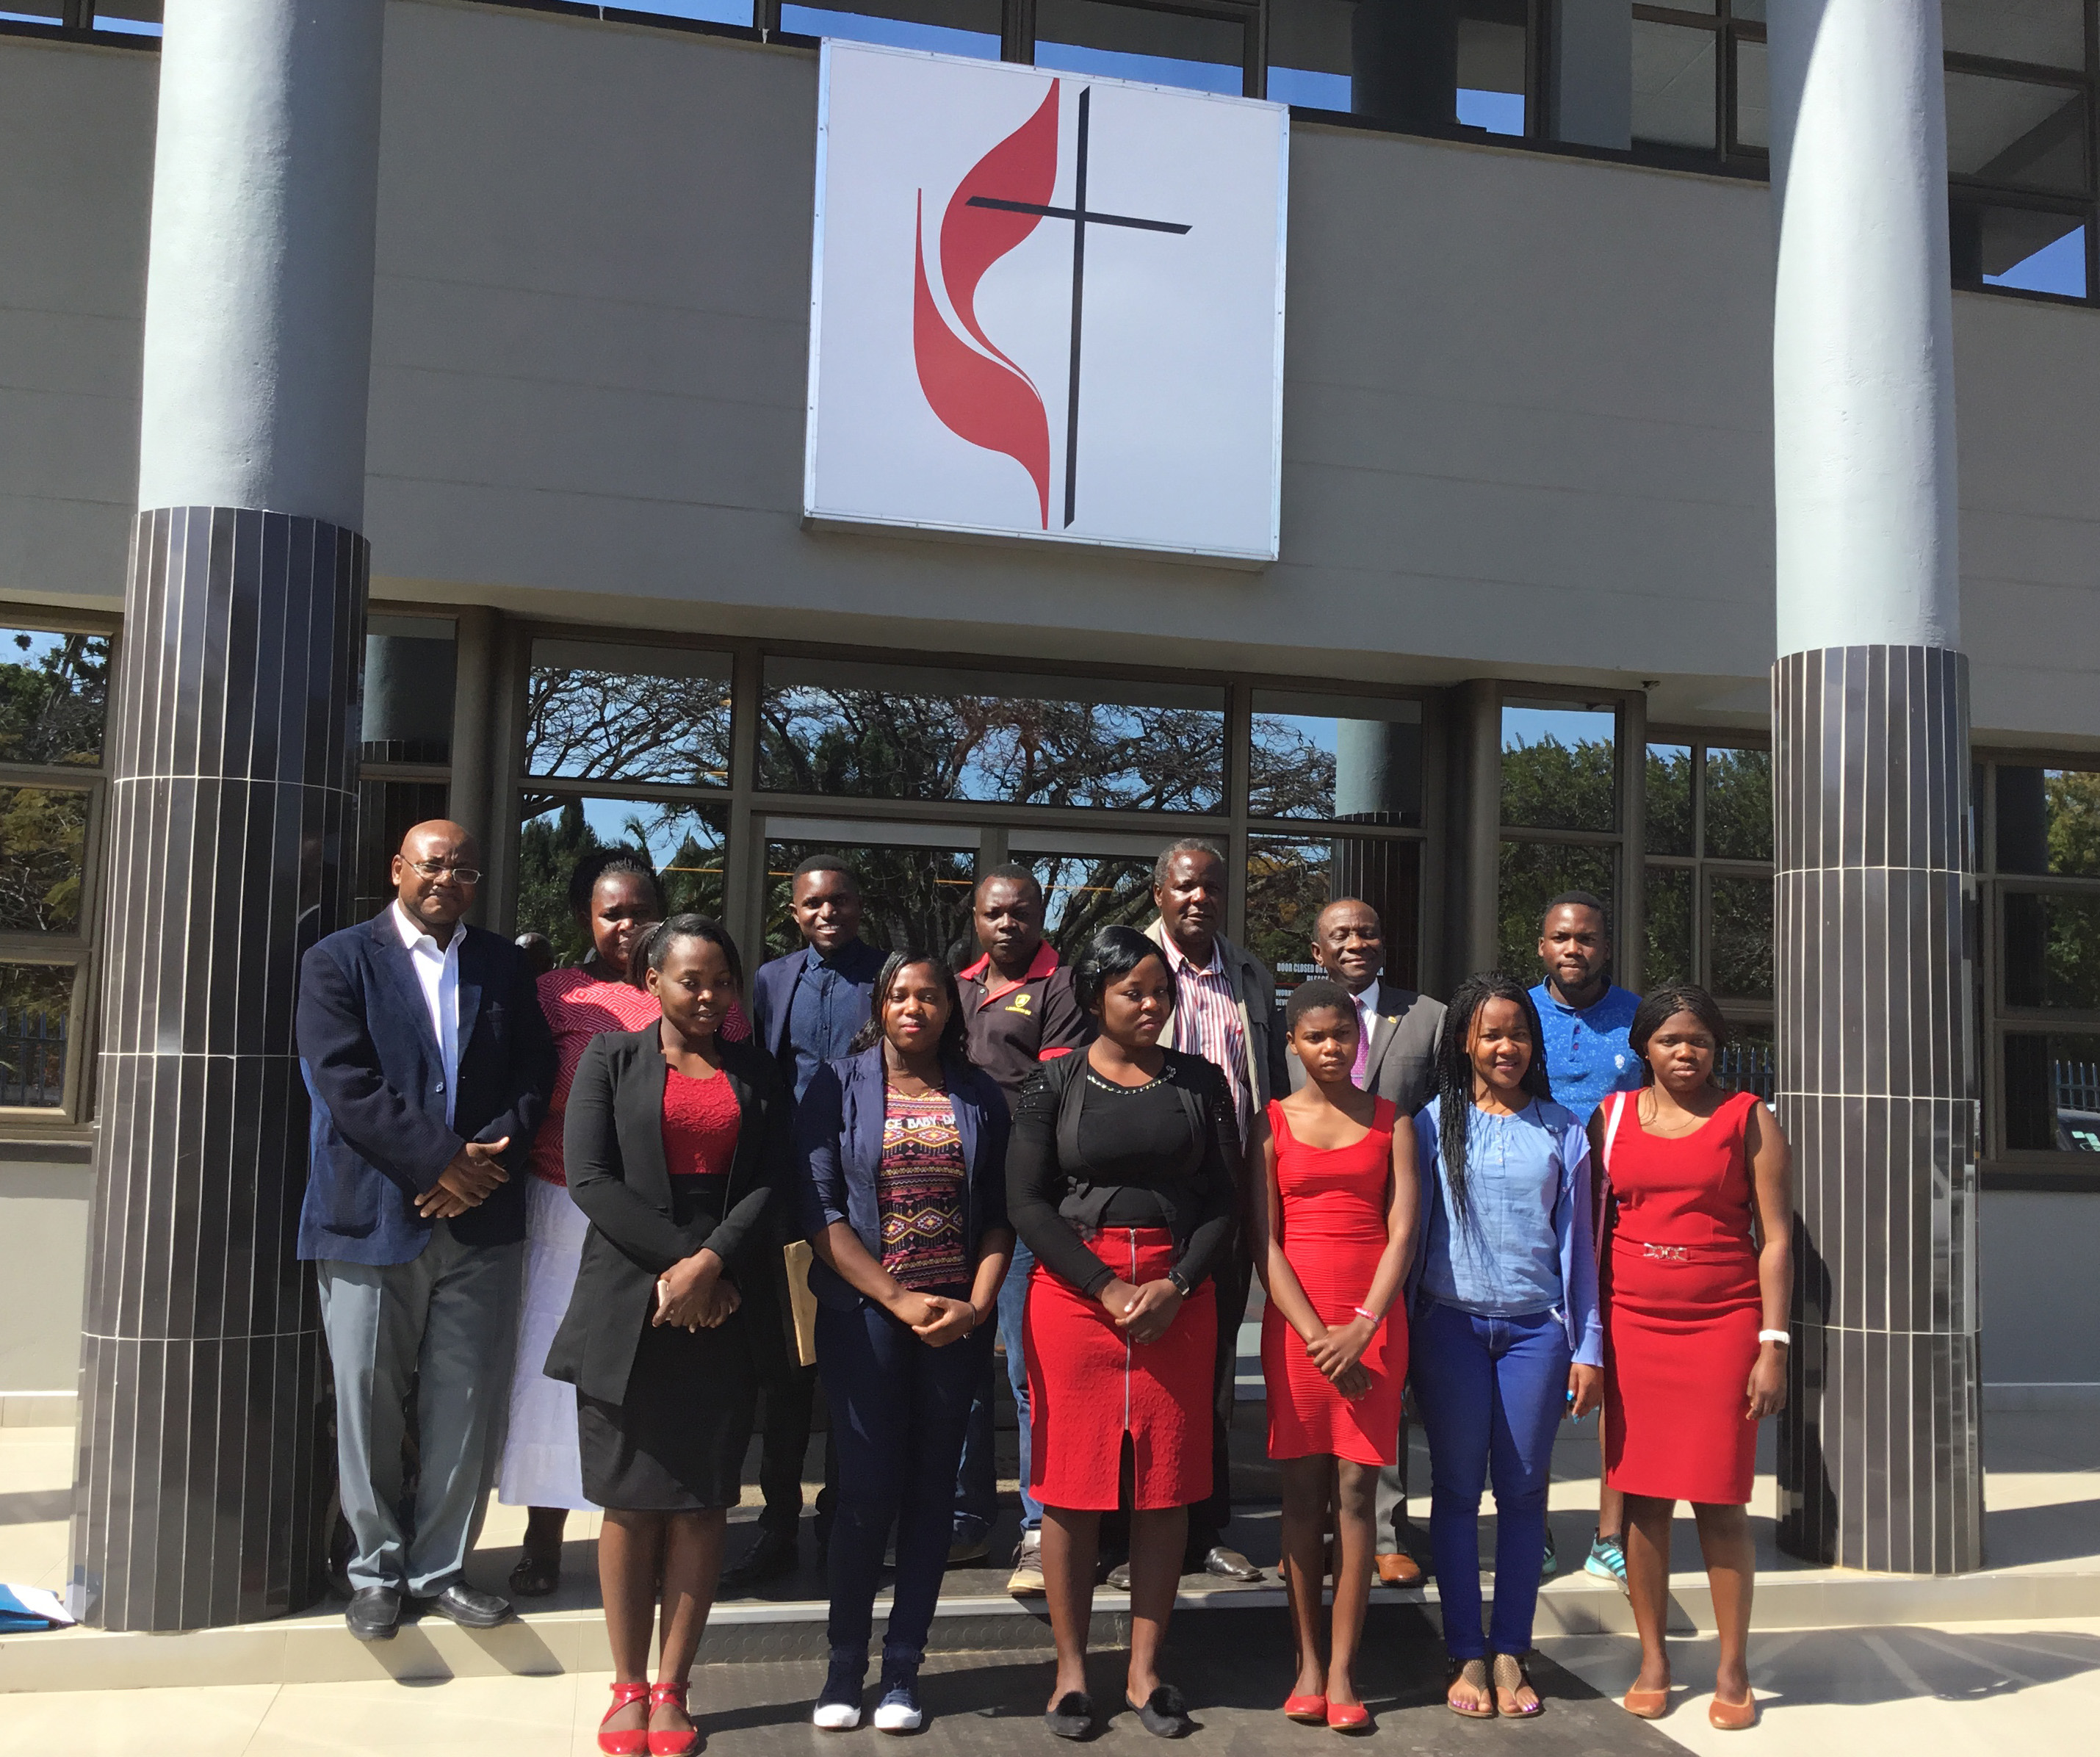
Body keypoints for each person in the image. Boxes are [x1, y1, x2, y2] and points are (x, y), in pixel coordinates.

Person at [295, 820, 555, 1641]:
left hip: (481, 1224)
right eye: (434, 864)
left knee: (465, 1403)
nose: (449, 878)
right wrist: (442, 1161)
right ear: (398, 867)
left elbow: (534, 1078)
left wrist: (481, 1170)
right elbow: (345, 1082)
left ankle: (441, 1569)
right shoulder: (339, 960)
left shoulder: (505, 966)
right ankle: (373, 1569)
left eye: (466, 868)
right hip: (369, 1220)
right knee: (366, 1399)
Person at [544, 916, 793, 1757]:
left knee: (700, 1504)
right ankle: (624, 1686)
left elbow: (771, 1181)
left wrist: (713, 1263)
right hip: (629, 1298)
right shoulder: (609, 1062)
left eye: (722, 980)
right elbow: (591, 1179)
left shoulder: (756, 1072)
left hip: (726, 1303)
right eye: (691, 979)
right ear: (651, 981)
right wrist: (682, 1265)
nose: (709, 995)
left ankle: (674, 1686)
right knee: (629, 1503)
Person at [1007, 926, 1240, 1742]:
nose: (1151, 1004)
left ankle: (1145, 1670)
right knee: (1072, 1484)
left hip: (1179, 1292)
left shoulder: (1201, 1082)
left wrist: (1177, 1283)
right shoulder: (1052, 1083)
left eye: (1160, 991)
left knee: (1166, 1482)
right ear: (1094, 994)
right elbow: (1027, 1201)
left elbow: (1223, 1199)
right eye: (1133, 991)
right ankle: (1072, 1672)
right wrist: (1102, 1283)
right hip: (1076, 1296)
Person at [797, 950, 1014, 1733]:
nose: (915, 1007)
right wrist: (896, 1297)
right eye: (900, 995)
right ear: (880, 1006)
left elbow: (998, 1209)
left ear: (951, 1010)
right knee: (864, 1496)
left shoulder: (980, 1095)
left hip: (954, 1325)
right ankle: (843, 1666)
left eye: (930, 996)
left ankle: (901, 1672)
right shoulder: (835, 1085)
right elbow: (820, 1210)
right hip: (867, 1323)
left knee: (932, 1499)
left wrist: (977, 1305)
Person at [1593, 986, 1792, 1733]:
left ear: (1718, 1048)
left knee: (1720, 1498)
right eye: (1672, 1039)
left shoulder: (1749, 1119)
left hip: (1722, 1326)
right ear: (1644, 1044)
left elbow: (1775, 1238)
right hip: (1633, 1328)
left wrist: (1772, 1345)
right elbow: (1587, 1231)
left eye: (1700, 1040)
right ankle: (1653, 1657)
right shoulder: (1608, 1120)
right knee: (1642, 1500)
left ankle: (1733, 1665)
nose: (1686, 1051)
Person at [1408, 973, 1601, 1720]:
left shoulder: (1564, 1130)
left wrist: (1587, 1347)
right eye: (1490, 1033)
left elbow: (1579, 1251)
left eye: (1518, 1033)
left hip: (1533, 1334)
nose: (1505, 1046)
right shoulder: (1430, 1124)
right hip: (1449, 1327)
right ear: (1466, 1041)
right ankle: (1466, 1650)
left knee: (1523, 1492)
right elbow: (1409, 1235)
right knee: (1456, 1493)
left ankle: (1511, 1646)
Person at [1255, 980, 1420, 1733]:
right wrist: (1318, 1332)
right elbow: (1265, 1242)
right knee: (1300, 1500)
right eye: (1316, 1037)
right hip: (1298, 1329)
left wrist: (1361, 1324)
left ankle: (1348, 1668)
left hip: (1371, 1326)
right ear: (1293, 1041)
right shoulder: (1271, 1124)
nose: (1331, 1048)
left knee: (1357, 1497)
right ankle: (1308, 1662)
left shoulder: (1394, 1122)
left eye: (1343, 1036)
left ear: (1360, 1039)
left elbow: (1403, 1233)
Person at [729, 856, 885, 1589]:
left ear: (860, 906)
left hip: (869, 1191)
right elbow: (758, 1072)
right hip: (790, 1197)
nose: (829, 913)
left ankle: (853, 1521)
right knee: (786, 1371)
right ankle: (777, 1526)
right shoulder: (769, 980)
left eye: (842, 901)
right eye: (814, 903)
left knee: (862, 1366)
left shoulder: (888, 976)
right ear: (795, 912)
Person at [1141, 838, 1288, 1584]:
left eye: (1212, 889)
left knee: (1214, 1366)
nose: (1199, 899)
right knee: (1141, 1366)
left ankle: (1206, 1525)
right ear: (1159, 891)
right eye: (1186, 887)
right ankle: (1128, 1530)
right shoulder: (1127, 965)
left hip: (1224, 1197)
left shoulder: (1252, 975)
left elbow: (1274, 1090)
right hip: (1142, 1199)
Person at [953, 865, 1094, 1594]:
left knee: (1028, 1370)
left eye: (1022, 912)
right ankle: (968, 1518)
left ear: (1042, 914)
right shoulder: (958, 986)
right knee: (965, 1367)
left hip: (1025, 1204)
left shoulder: (1063, 987)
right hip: (957, 1204)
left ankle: (1040, 1526)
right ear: (976, 917)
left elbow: (1050, 1091)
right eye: (994, 913)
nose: (1008, 924)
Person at [1297, 896, 1444, 1587]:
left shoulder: (1429, 1017)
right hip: (1317, 1229)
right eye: (1340, 935)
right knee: (1312, 1390)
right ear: (1317, 948)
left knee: (1383, 1377)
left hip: (1395, 1227)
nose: (1356, 942)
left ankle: (1384, 1529)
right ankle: (1317, 1528)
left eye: (1368, 930)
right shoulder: (1286, 1019)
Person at [1528, 890, 1643, 1591]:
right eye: (1562, 938)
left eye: (1588, 939)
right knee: (1535, 1369)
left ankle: (1611, 1532)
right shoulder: (1517, 1014)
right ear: (1541, 945)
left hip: (1620, 1209)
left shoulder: (1637, 1019)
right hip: (1531, 1207)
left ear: (1605, 946)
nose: (1575, 949)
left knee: (1618, 1374)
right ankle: (1529, 1522)